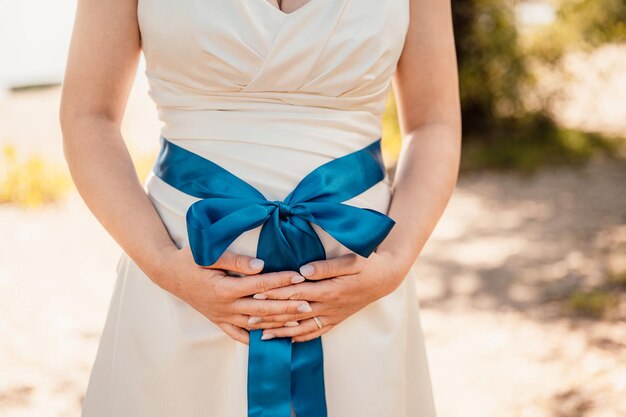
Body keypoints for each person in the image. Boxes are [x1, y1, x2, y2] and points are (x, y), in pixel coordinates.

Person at [59, 0, 461, 416]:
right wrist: (163, 264)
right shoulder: (170, 272)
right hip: (181, 283)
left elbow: (434, 123)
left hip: (357, 290)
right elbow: (89, 116)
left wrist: (394, 261)